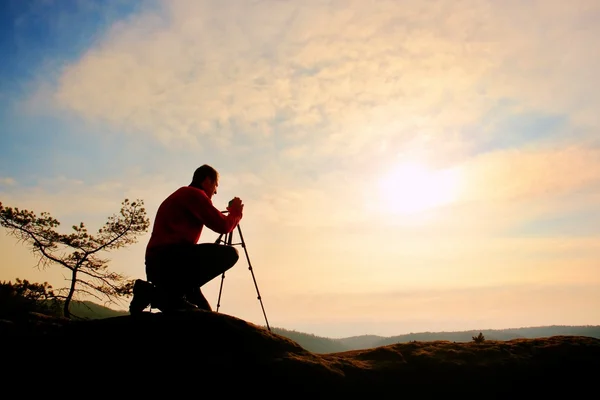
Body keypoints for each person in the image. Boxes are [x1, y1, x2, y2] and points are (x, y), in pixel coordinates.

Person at [129, 164, 244, 314]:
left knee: (205, 313)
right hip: (172, 261)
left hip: (160, 265)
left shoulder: (182, 195)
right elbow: (223, 225)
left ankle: (159, 295)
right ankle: (153, 294)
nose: (215, 191)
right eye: (215, 185)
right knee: (230, 254)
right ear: (207, 181)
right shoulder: (194, 194)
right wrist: (236, 213)